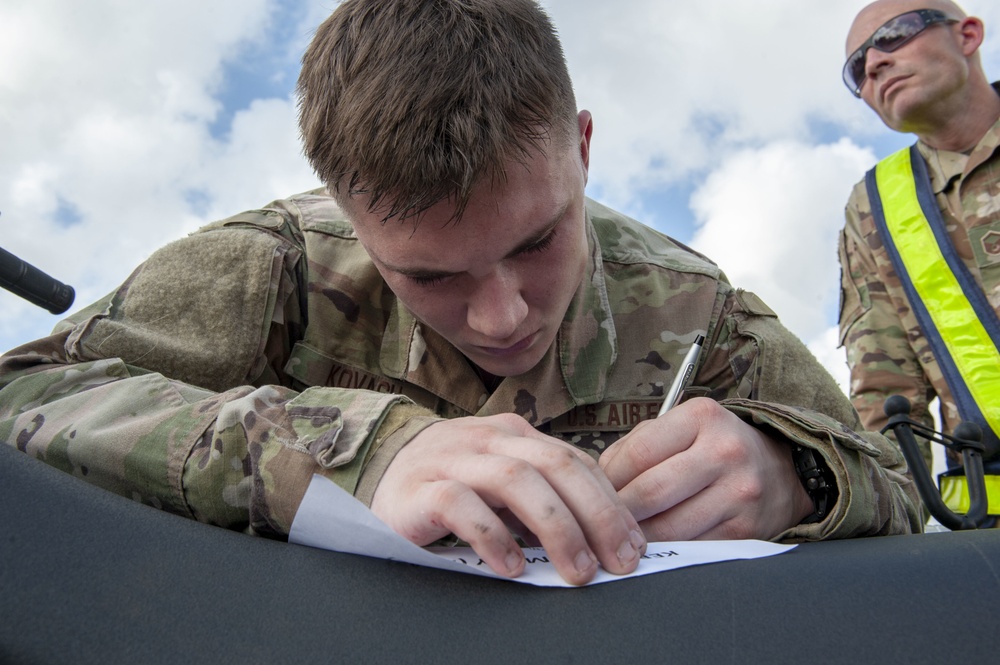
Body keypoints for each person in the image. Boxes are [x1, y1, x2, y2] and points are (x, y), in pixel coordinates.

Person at [1, 0, 919, 586]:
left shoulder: (698, 308)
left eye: (537, 241)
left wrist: (796, 475)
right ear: (348, 218)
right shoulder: (272, 262)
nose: (504, 315)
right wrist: (352, 451)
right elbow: (24, 397)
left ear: (585, 147)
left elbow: (899, 492)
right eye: (429, 275)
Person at [838, 0, 1000, 511]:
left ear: (968, 35)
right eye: (857, 67)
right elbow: (884, 395)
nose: (875, 63)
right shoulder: (877, 205)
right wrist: (893, 524)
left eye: (893, 35)